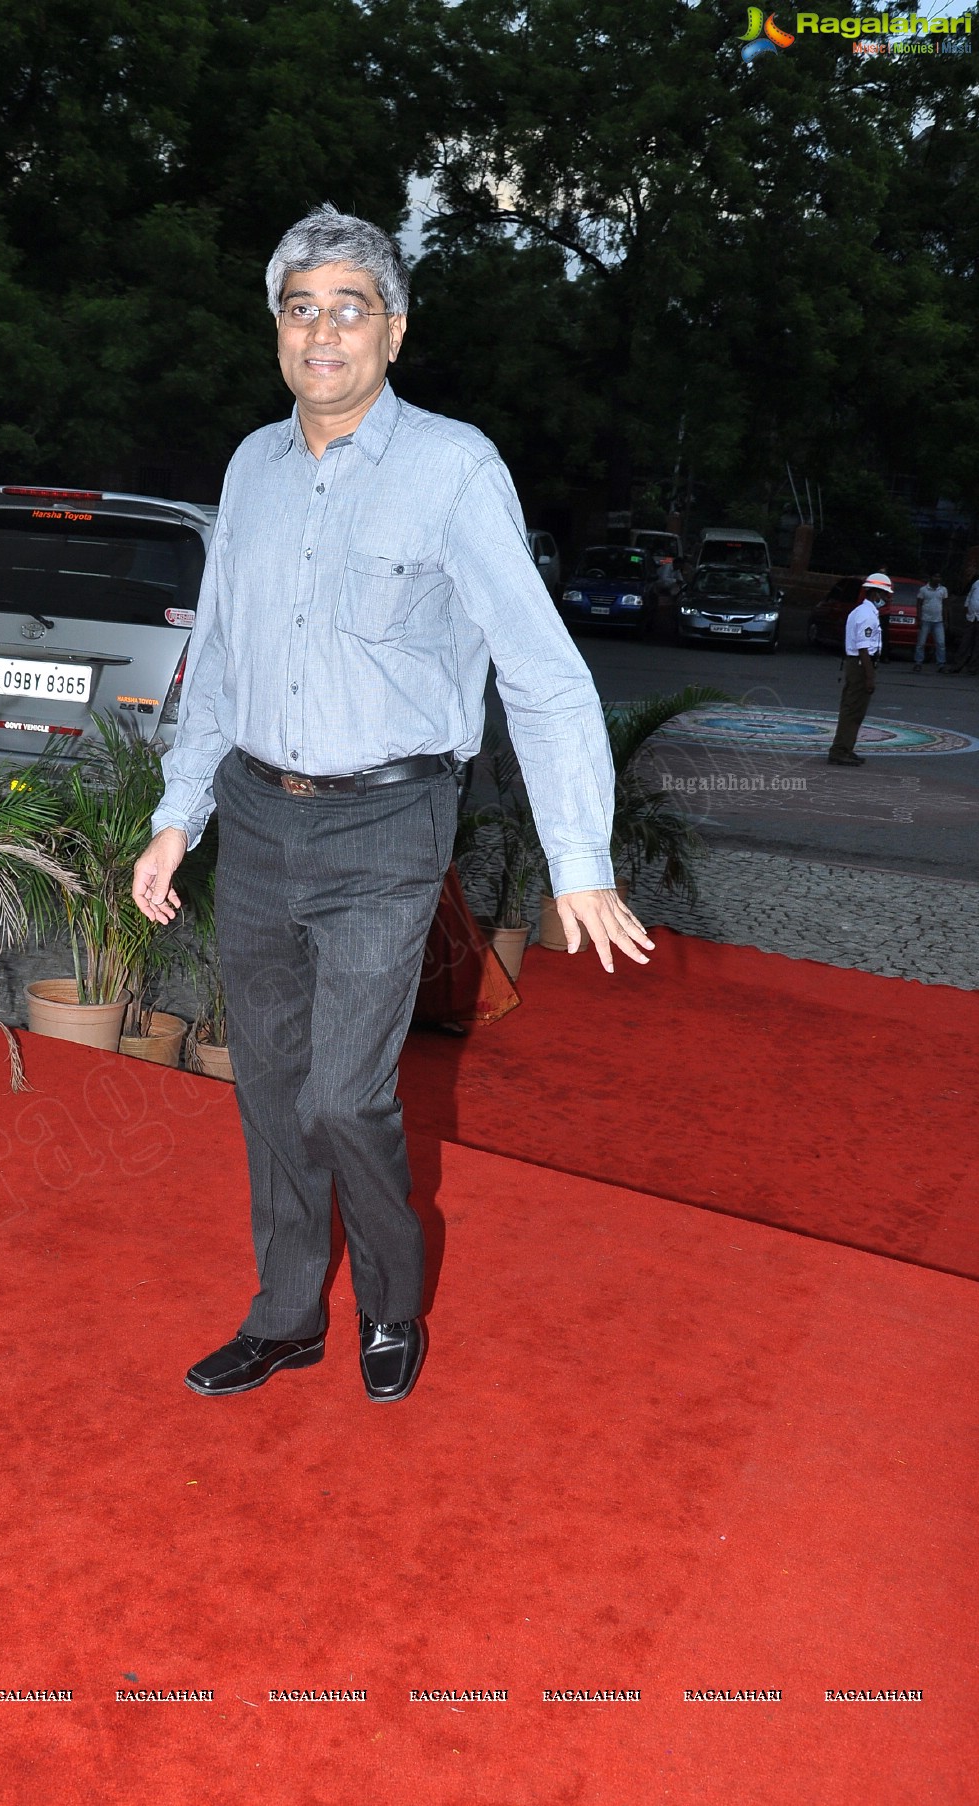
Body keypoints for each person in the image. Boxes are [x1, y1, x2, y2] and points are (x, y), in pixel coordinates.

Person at [131, 204, 652, 1405]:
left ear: (393, 331)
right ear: (277, 330)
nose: (323, 334)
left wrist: (577, 859)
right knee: (267, 1083)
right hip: (257, 815)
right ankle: (284, 1314)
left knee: (343, 1092)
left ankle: (388, 1302)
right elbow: (220, 660)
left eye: (348, 309)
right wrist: (179, 814)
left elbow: (541, 668)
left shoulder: (452, 468)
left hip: (386, 823)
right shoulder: (249, 469)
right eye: (301, 309)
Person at [827, 572, 888, 765]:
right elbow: (864, 649)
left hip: (858, 664)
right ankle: (839, 750)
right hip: (861, 665)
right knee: (853, 710)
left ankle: (845, 747)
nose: (886, 599)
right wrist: (870, 677)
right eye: (885, 595)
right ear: (876, 594)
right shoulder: (866, 615)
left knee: (854, 709)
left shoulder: (861, 612)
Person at [912, 572, 948, 672]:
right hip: (925, 619)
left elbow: (945, 606)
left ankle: (941, 664)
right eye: (935, 576)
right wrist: (919, 618)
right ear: (931, 578)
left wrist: (945, 620)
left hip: (938, 621)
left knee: (941, 643)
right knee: (921, 643)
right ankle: (918, 663)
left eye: (939, 576)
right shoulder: (923, 590)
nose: (938, 578)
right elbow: (919, 604)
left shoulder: (943, 590)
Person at [948, 574, 979, 673]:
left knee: (977, 646)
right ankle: (957, 665)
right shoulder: (977, 583)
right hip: (971, 617)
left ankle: (973, 668)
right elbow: (970, 595)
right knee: (964, 643)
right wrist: (966, 607)